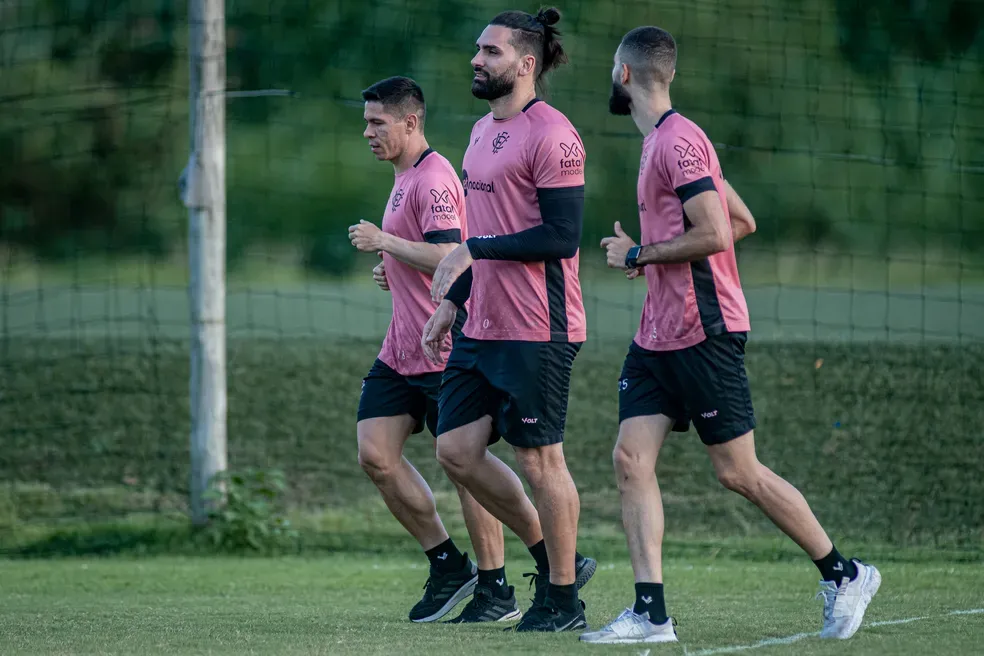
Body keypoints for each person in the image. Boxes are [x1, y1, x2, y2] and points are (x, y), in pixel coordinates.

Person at [578, 26, 881, 644]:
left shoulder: (679, 141)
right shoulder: (661, 142)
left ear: (625, 74)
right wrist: (651, 255)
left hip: (704, 331)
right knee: (630, 459)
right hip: (657, 336)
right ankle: (651, 614)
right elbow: (742, 219)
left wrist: (641, 252)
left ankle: (845, 573)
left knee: (738, 471)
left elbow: (718, 232)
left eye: (613, 67)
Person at [421, 7, 596, 633]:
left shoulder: (554, 135)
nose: (476, 59)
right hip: (482, 324)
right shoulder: (478, 131)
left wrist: (473, 250)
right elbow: (485, 233)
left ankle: (564, 602)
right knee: (455, 451)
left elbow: (562, 235)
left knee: (540, 461)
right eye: (477, 49)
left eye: (490, 51)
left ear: (526, 64)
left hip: (538, 328)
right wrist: (455, 300)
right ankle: (556, 564)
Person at [350, 75, 520, 624]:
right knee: (376, 453)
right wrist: (393, 264)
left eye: (378, 122)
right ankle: (448, 565)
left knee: (464, 467)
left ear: (410, 121)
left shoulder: (434, 177)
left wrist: (385, 242)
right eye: (366, 122)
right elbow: (426, 254)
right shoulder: (404, 176)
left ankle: (496, 587)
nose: (368, 132)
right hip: (401, 348)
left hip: (444, 348)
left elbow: (452, 252)